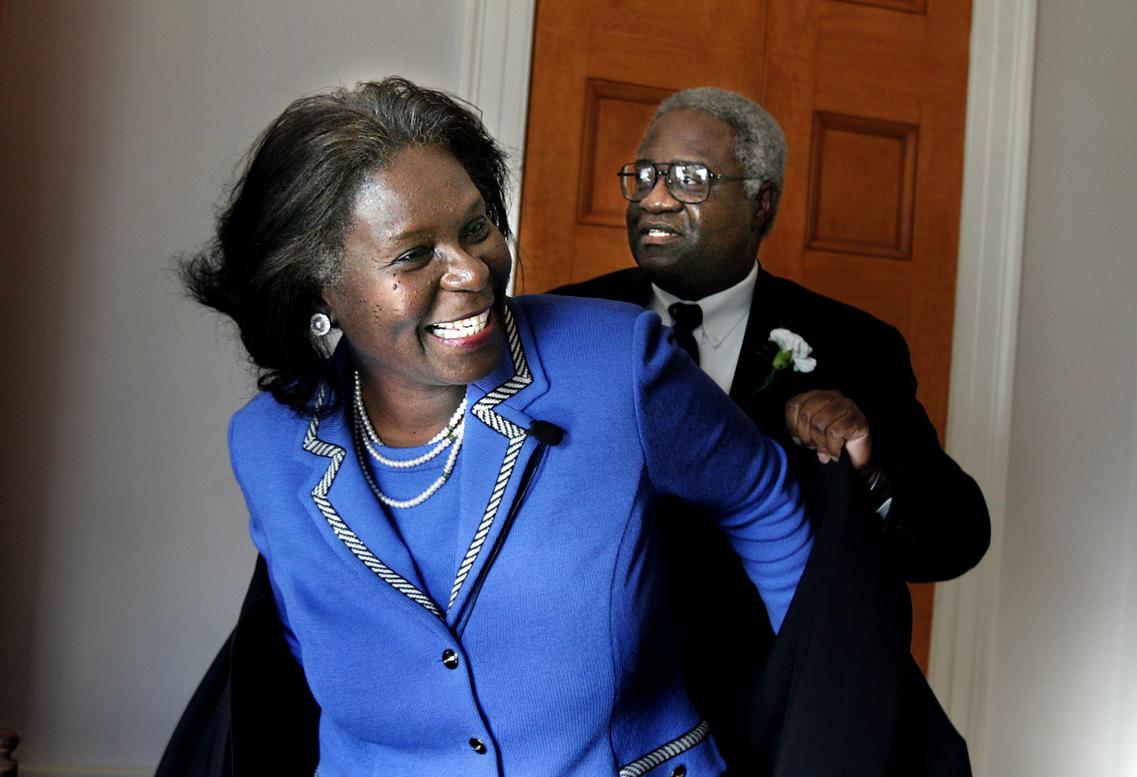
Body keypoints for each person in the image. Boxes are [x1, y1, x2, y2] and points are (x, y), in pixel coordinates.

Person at [157, 78, 815, 777]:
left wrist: (814, 723)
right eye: (414, 254)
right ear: (318, 288)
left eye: (475, 228)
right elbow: (298, 640)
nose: (473, 270)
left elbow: (761, 498)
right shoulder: (266, 444)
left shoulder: (617, 365)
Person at [554, 87, 991, 775]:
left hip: (779, 715)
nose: (655, 198)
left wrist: (869, 460)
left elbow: (957, 536)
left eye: (689, 178)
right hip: (602, 710)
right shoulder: (565, 321)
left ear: (763, 202)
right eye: (643, 175)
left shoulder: (857, 346)